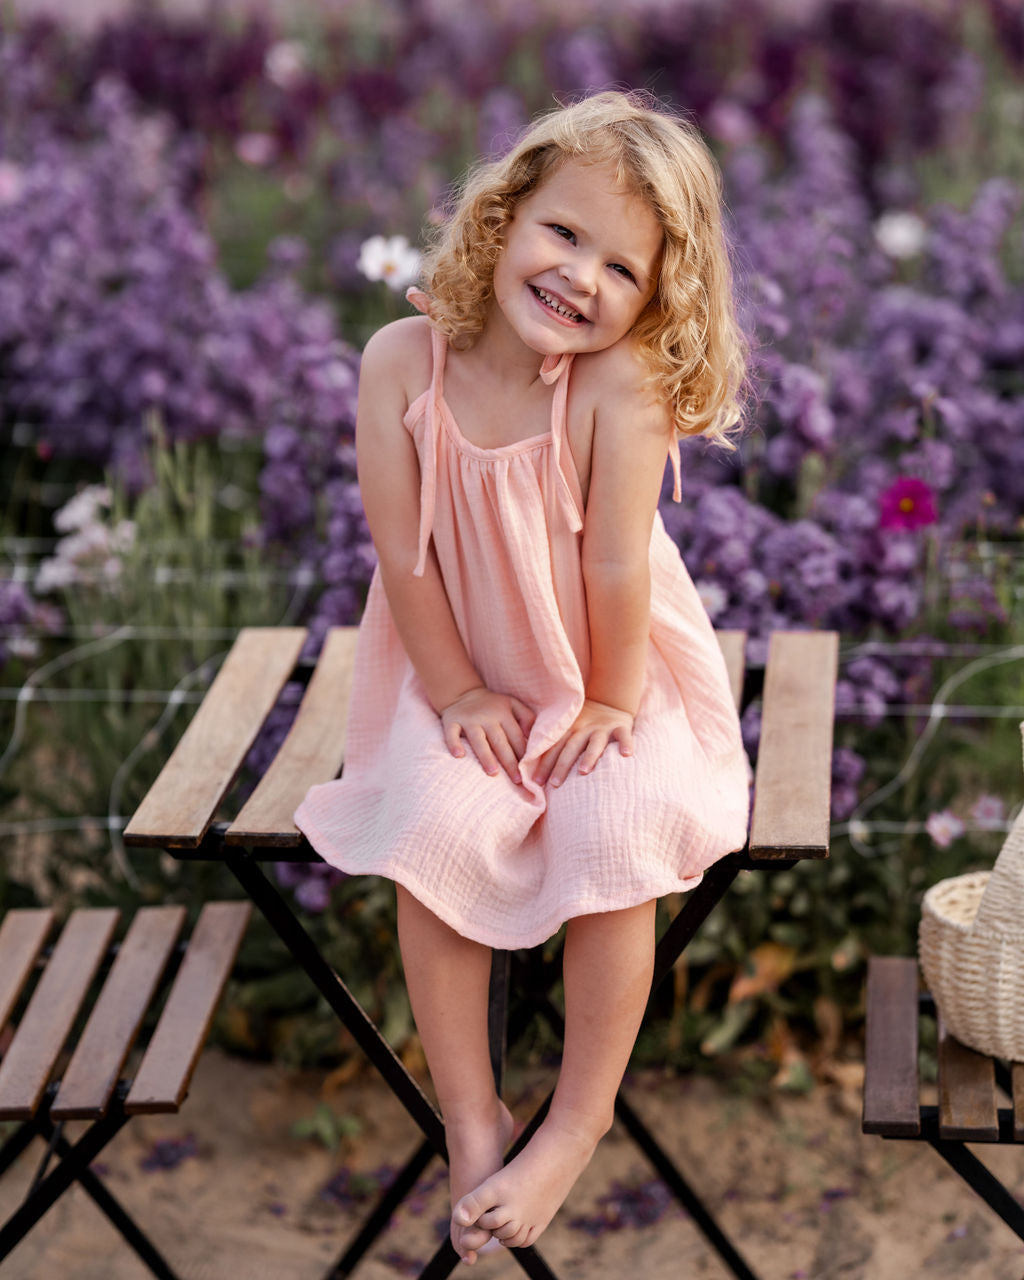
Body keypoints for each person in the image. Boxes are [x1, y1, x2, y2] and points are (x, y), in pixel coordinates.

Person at [295, 89, 750, 1263]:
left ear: (656, 301)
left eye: (622, 268)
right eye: (563, 233)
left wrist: (604, 701)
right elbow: (399, 552)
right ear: (503, 215)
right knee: (433, 829)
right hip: (458, 658)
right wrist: (451, 694)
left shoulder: (616, 386)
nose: (580, 276)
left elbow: (613, 565)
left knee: (616, 827)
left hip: (611, 666)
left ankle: (575, 1118)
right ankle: (471, 1113)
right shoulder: (402, 362)